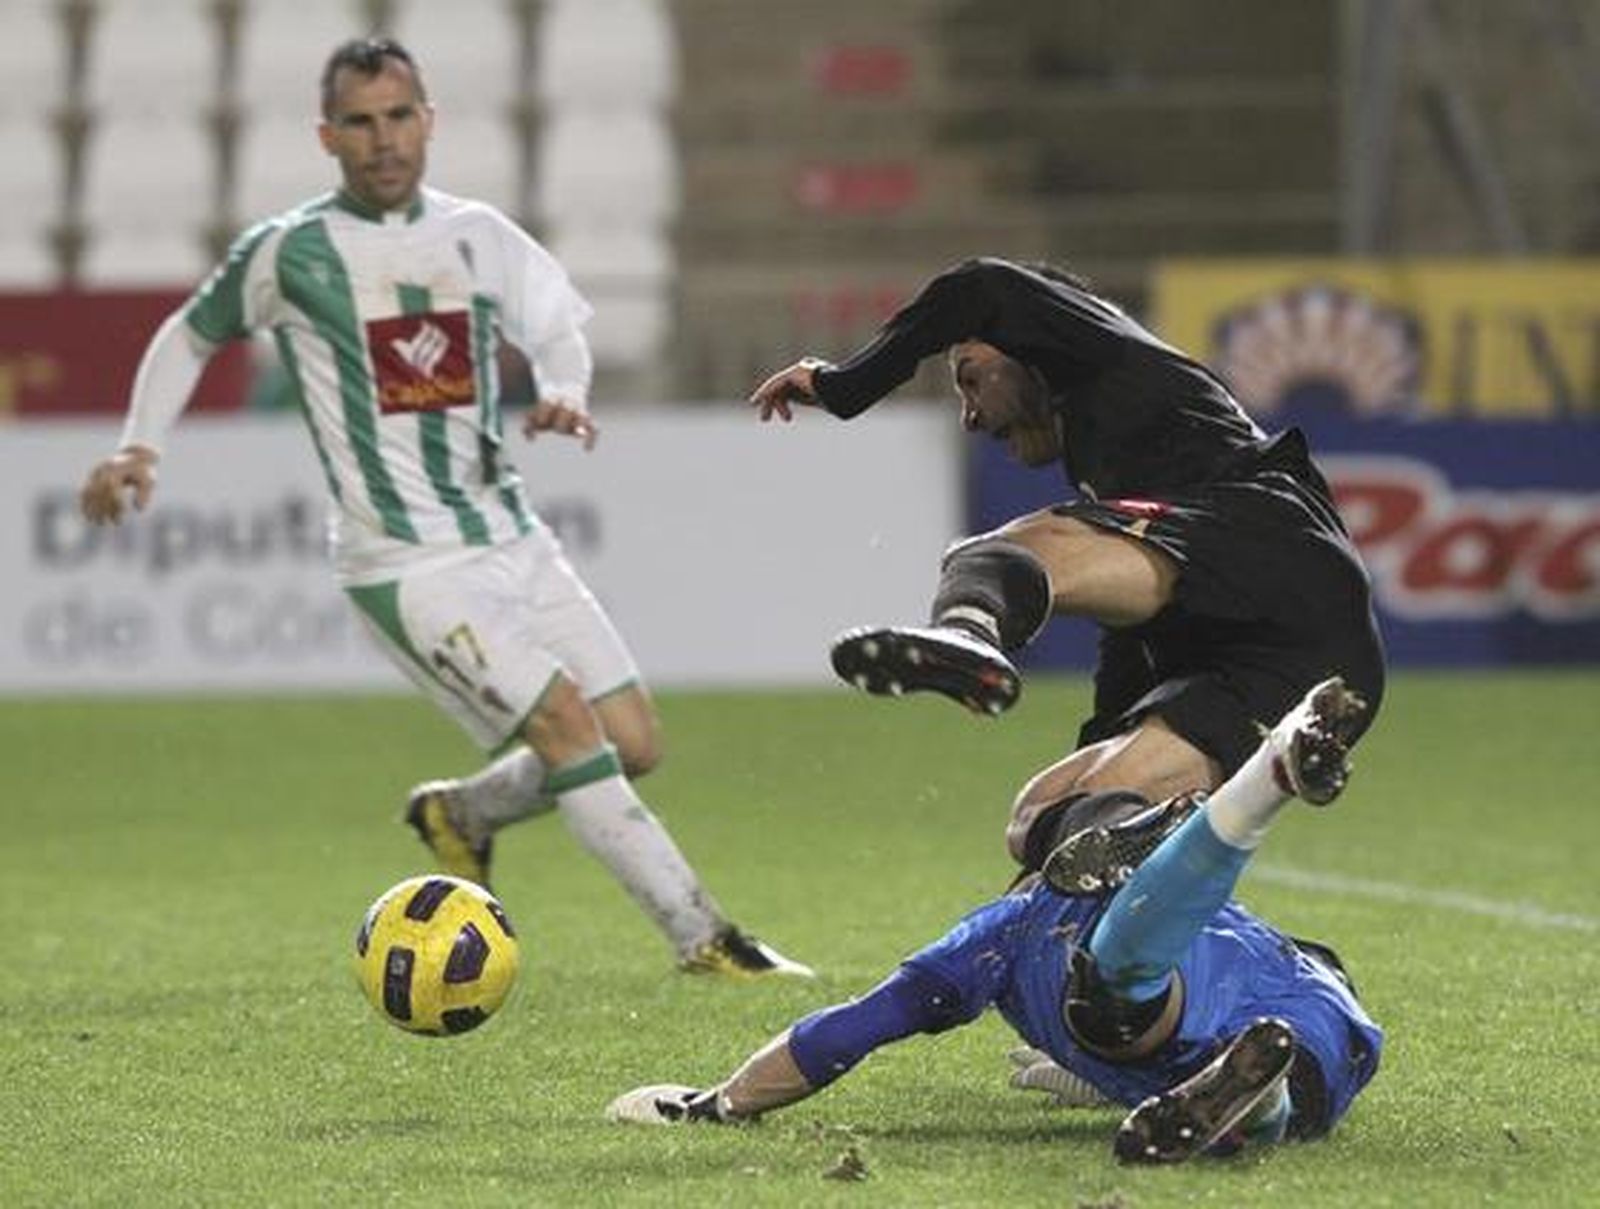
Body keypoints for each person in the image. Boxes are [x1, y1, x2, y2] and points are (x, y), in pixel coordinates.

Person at [78, 37, 809, 980]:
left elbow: (557, 325)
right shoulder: (292, 251)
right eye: (360, 122)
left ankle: (461, 813)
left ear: (429, 122)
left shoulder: (478, 235)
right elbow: (190, 335)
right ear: (327, 136)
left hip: (511, 533)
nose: (383, 139)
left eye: (398, 116)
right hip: (404, 561)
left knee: (634, 742)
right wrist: (139, 445)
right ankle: (703, 937)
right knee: (567, 729)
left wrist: (564, 390)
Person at [748, 258, 1386, 876]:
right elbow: (1133, 647)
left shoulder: (1108, 353)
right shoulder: (1119, 474)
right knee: (1049, 815)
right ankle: (1182, 868)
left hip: (1281, 554)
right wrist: (1063, 840)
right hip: (1308, 670)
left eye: (971, 378)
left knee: (995, 555)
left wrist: (843, 386)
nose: (970, 416)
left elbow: (979, 286)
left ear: (1026, 342)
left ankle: (968, 635)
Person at [607, 678, 1382, 1165]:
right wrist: (1092, 1081)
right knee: (1229, 1062)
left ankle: (1263, 781)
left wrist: (720, 1100)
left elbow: (851, 1027)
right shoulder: (1235, 929)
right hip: (1332, 1030)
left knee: (1115, 981)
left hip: (1155, 998)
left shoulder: (1002, 931)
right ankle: (1255, 1097)